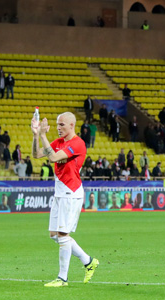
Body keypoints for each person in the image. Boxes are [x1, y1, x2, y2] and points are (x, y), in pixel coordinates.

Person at [31, 112, 99, 287]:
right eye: (57, 125)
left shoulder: (77, 144)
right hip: (60, 193)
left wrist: (44, 135)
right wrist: (36, 135)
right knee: (55, 235)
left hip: (71, 192)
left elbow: (52, 157)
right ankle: (88, 261)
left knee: (63, 235)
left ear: (71, 125)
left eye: (61, 125)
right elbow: (36, 154)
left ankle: (62, 278)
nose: (58, 128)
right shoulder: (59, 142)